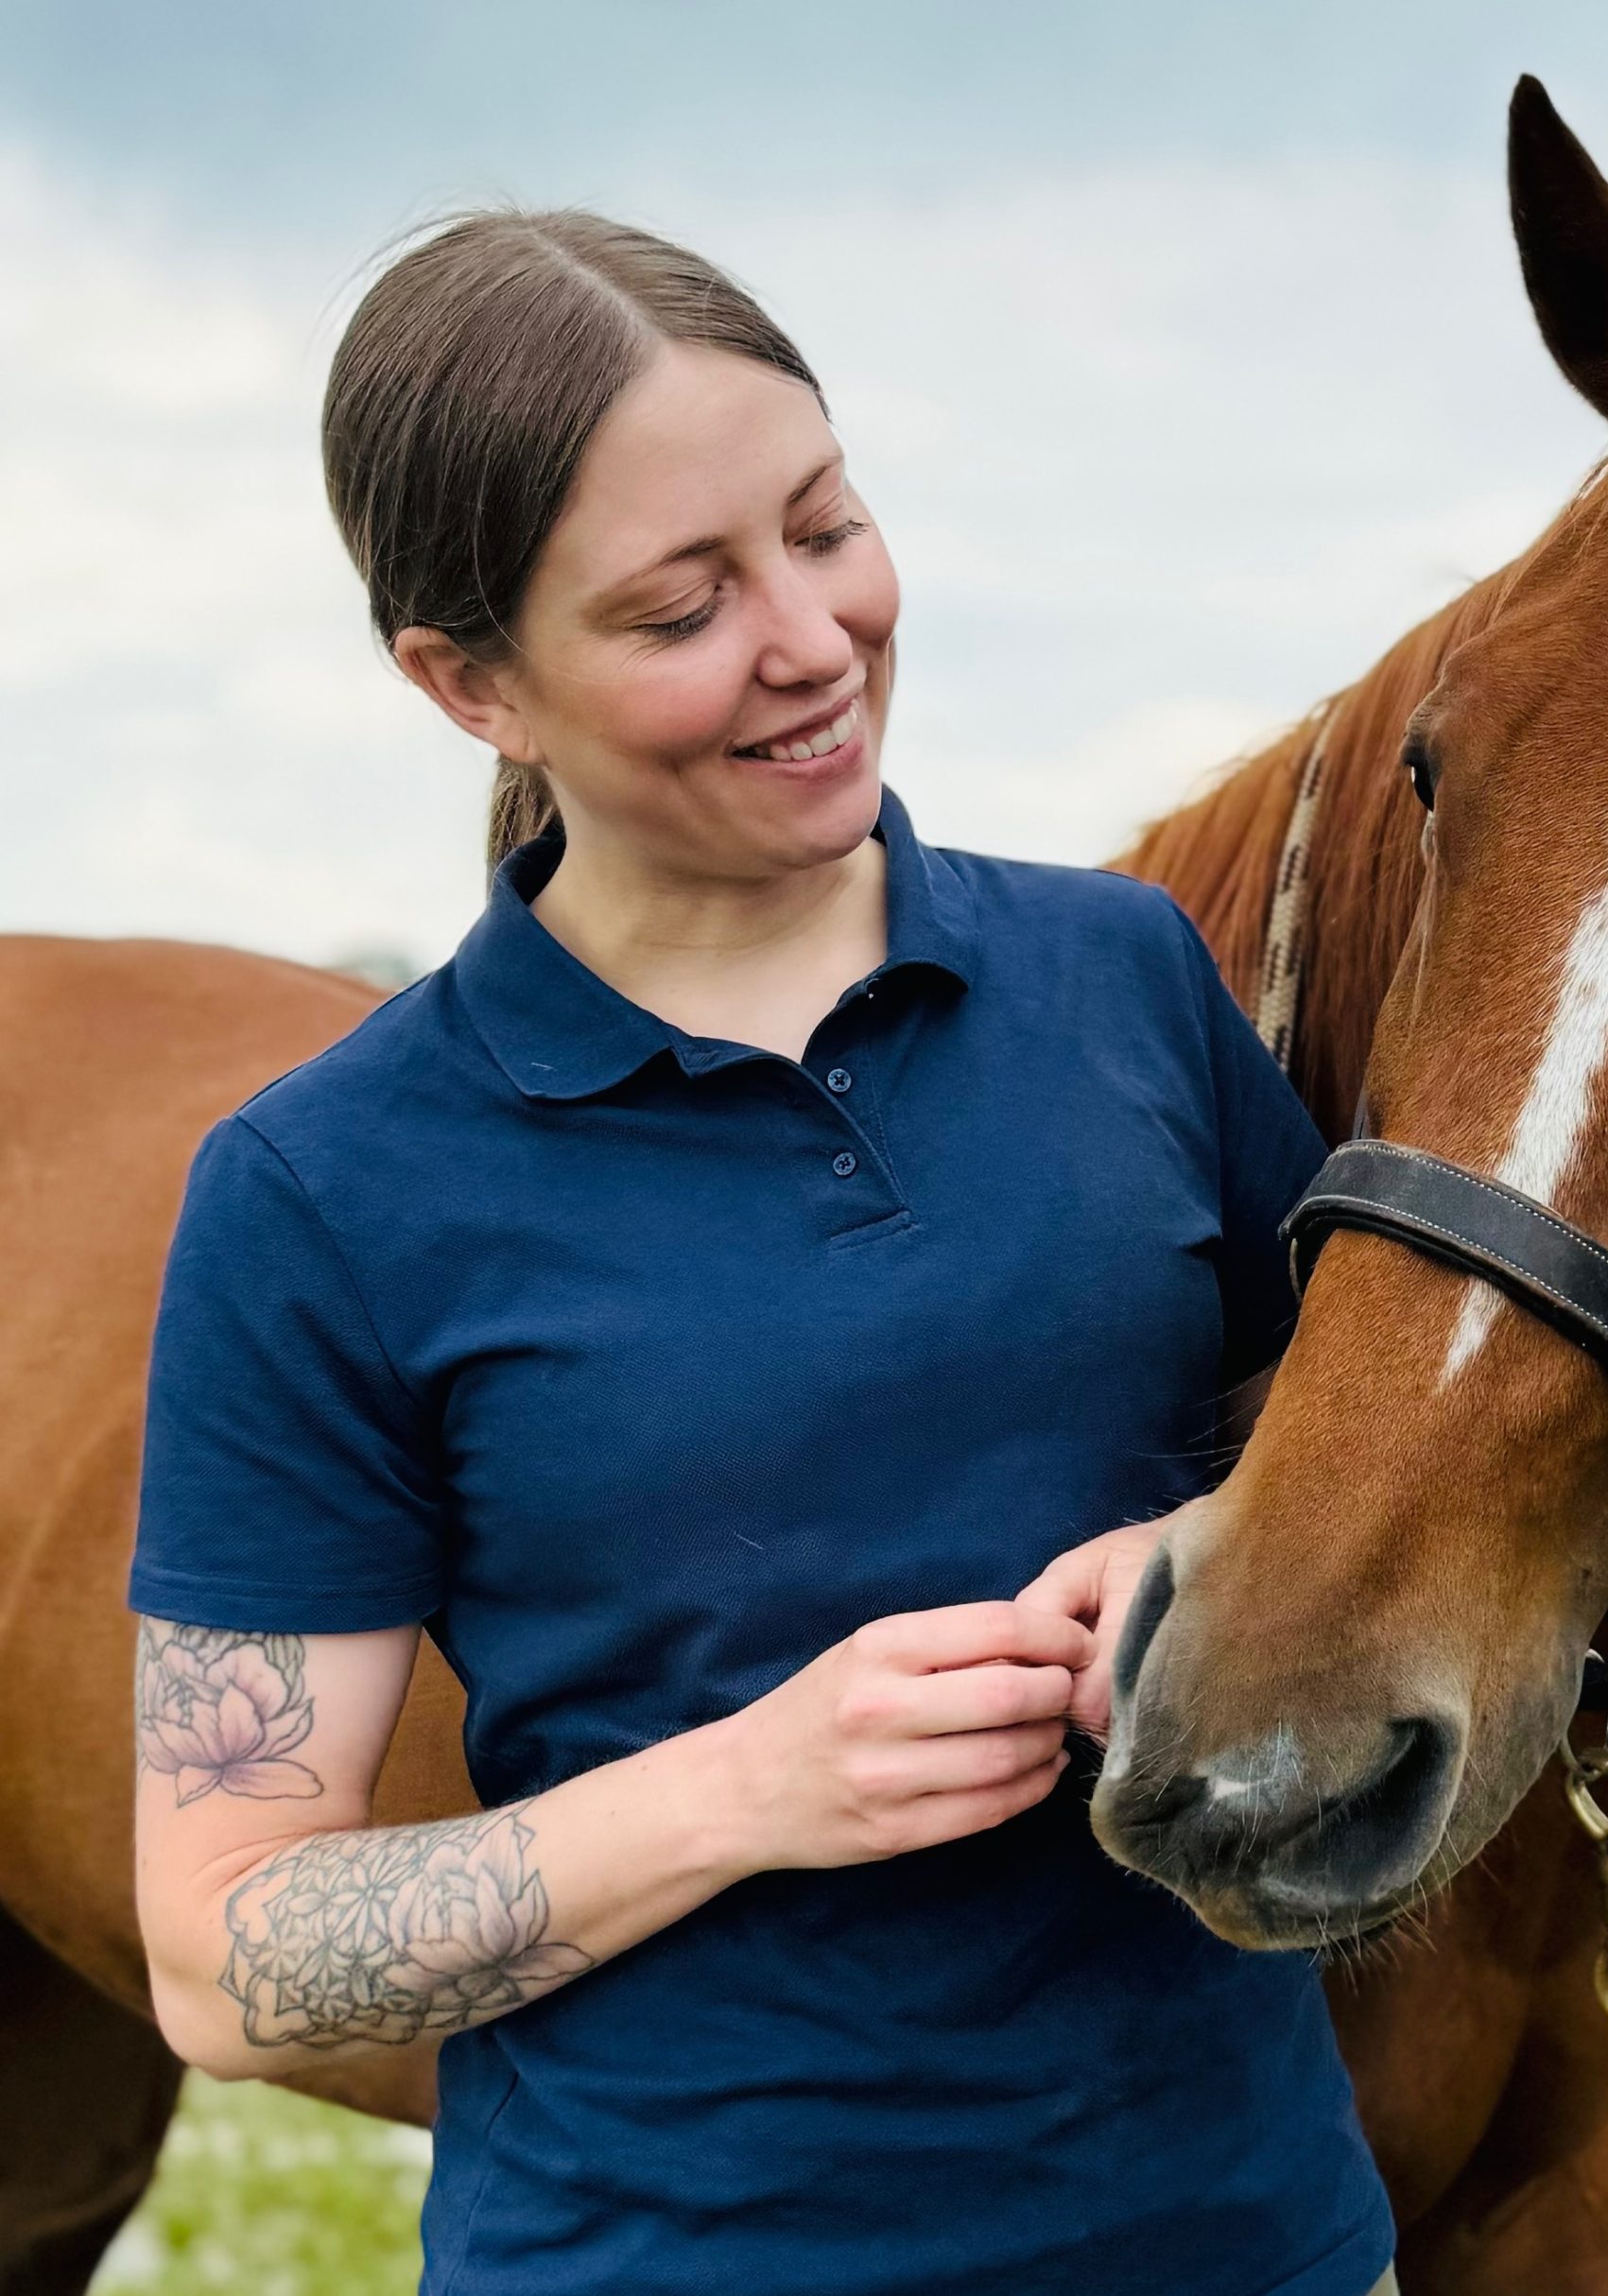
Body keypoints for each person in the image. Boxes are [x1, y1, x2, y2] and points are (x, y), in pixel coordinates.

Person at [128, 211, 1395, 2296]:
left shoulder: (1123, 979)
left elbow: (1353, 1448)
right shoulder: (326, 1190)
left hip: (1247, 2244)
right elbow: (225, 1957)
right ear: (470, 686)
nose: (809, 637)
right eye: (678, 604)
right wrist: (744, 1789)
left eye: (824, 526)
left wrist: (1216, 1542)